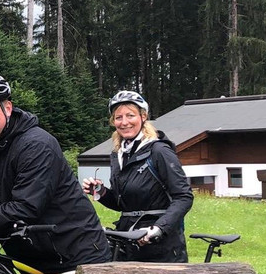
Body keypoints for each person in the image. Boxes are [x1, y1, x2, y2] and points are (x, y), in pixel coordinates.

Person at [0, 73, 110, 273]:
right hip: (31, 257)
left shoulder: (37, 145)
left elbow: (26, 209)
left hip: (75, 255)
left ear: (7, 108)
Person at [81, 90, 193, 262]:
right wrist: (101, 191)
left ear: (143, 117)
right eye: (118, 117)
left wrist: (159, 228)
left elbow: (184, 197)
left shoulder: (159, 151)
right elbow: (124, 205)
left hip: (160, 244)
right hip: (127, 240)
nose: (124, 122)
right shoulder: (118, 154)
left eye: (130, 115)